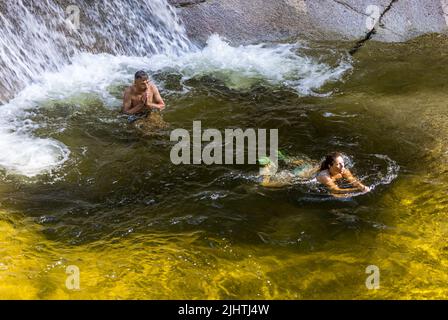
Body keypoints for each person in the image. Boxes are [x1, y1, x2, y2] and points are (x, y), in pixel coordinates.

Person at [260, 151, 370, 196]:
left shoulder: (344, 170)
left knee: (305, 164)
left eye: (342, 163)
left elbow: (353, 180)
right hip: (302, 174)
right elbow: (335, 191)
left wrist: (361, 186)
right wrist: (357, 190)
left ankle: (283, 157)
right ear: (330, 166)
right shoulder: (325, 177)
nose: (342, 166)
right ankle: (267, 168)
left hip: (311, 168)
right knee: (266, 185)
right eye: (338, 164)